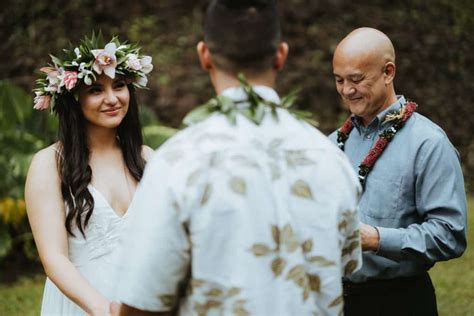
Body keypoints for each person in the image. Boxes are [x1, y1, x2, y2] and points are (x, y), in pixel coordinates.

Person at [115, 1, 362, 315]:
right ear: (281, 55)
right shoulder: (331, 159)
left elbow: (142, 302)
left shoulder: (177, 162)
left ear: (204, 55)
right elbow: (347, 265)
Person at [328, 27, 467, 316]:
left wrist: (375, 239)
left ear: (388, 72)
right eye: (339, 80)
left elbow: (449, 235)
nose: (346, 90)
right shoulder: (332, 143)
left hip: (398, 301)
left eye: (356, 79)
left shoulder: (428, 143)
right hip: (335, 301)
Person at [25, 33, 154, 315]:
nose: (112, 99)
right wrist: (104, 309)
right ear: (74, 99)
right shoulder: (49, 164)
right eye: (96, 90)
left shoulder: (147, 159)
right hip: (84, 303)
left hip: (142, 301)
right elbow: (53, 257)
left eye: (119, 86)